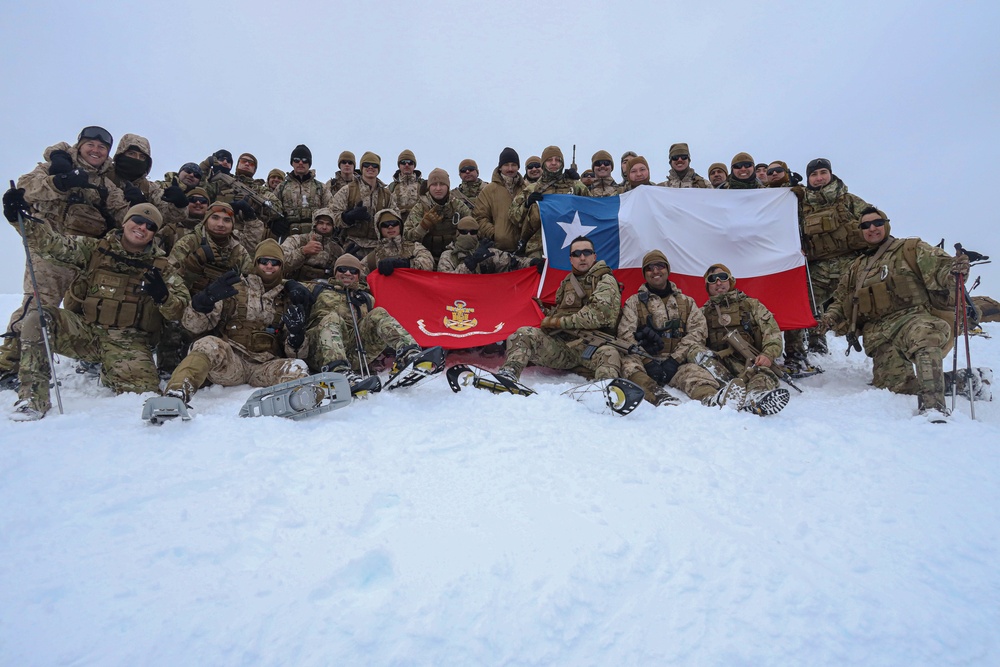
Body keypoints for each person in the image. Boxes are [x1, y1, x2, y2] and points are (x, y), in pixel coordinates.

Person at [3, 198, 189, 420]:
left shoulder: (162, 268)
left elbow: (180, 310)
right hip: (86, 330)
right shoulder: (94, 250)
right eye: (138, 221)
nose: (142, 228)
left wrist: (163, 297)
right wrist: (20, 220)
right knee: (39, 318)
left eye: (150, 226)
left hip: (127, 341)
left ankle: (109, 371)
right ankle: (33, 399)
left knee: (143, 393)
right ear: (126, 222)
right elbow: (53, 245)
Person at [1, 126, 129, 387]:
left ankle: (86, 355)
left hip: (87, 254)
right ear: (79, 145)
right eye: (90, 144)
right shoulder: (54, 166)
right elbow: (26, 188)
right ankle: (10, 363)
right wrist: (59, 183)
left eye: (102, 147)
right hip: (51, 249)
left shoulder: (107, 184)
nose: (96, 151)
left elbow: (124, 215)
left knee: (86, 307)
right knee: (38, 304)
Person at [818, 208, 967, 422]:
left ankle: (933, 408)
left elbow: (942, 271)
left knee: (924, 337)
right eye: (865, 225)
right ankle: (960, 381)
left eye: (877, 223)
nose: (872, 228)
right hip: (878, 335)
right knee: (896, 387)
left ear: (886, 224)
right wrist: (829, 319)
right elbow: (842, 300)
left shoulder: (910, 248)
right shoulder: (856, 268)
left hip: (912, 319)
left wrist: (955, 271)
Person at [160, 239, 312, 405]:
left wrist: (296, 336)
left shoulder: (289, 297)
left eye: (275, 262)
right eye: (264, 261)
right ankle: (175, 394)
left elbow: (296, 354)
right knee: (207, 344)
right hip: (231, 363)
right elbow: (194, 326)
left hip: (265, 367)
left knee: (297, 366)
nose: (269, 266)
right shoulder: (233, 288)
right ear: (255, 262)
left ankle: (301, 400)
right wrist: (202, 304)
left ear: (281, 266)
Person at [495, 236, 622, 385]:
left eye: (587, 253)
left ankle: (607, 392)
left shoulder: (605, 280)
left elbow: (598, 315)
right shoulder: (567, 283)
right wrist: (545, 312)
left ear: (594, 256)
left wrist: (559, 322)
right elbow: (562, 314)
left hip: (593, 347)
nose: (582, 257)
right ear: (571, 259)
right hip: (563, 347)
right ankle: (508, 374)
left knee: (610, 354)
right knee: (523, 333)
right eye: (577, 254)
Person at [616, 250, 725, 406]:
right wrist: (647, 360)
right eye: (649, 268)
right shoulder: (634, 303)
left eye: (660, 266)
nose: (655, 271)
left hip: (678, 364)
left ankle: (710, 399)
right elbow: (625, 334)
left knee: (697, 374)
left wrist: (675, 360)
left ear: (667, 269)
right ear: (645, 273)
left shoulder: (686, 302)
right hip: (645, 363)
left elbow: (698, 332)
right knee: (628, 366)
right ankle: (658, 396)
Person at [301, 253, 424, 392]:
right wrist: (293, 287)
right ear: (335, 272)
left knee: (379, 312)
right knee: (332, 318)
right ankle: (338, 372)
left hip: (354, 352)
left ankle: (410, 353)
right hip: (320, 351)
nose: (347, 273)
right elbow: (277, 280)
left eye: (353, 271)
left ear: (359, 275)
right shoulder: (317, 289)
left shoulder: (366, 298)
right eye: (342, 269)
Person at [160, 201, 253, 376]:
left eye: (226, 220)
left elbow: (250, 280)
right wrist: (191, 267)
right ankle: (168, 366)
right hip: (190, 301)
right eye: (215, 218)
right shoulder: (189, 242)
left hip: (220, 306)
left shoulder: (238, 251)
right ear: (206, 220)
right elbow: (169, 277)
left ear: (232, 225)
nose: (220, 224)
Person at [797, 157, 872, 359]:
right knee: (800, 301)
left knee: (870, 303)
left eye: (823, 173)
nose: (819, 178)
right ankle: (807, 345)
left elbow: (875, 223)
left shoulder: (849, 201)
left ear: (830, 175)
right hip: (818, 268)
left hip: (851, 264)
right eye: (814, 174)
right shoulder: (801, 206)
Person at [700, 262, 790, 415]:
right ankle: (723, 397)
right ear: (707, 286)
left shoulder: (751, 305)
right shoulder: (702, 313)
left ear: (731, 280)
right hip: (719, 367)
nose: (718, 282)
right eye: (712, 279)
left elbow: (772, 333)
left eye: (723, 277)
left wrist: (768, 355)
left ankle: (755, 397)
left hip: (751, 363)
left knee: (762, 374)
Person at [509, 145, 590, 257]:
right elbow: (513, 217)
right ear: (543, 163)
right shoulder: (531, 189)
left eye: (557, 160)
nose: (553, 163)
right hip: (539, 247)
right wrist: (527, 205)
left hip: (570, 245)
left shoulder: (576, 186)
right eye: (549, 160)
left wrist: (577, 180)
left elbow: (592, 208)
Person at [329, 151, 395, 257]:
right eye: (366, 164)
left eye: (374, 165)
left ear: (378, 169)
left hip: (378, 246)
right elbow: (332, 213)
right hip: (352, 244)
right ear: (361, 167)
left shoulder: (387, 195)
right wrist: (347, 217)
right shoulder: (348, 190)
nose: (370, 167)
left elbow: (396, 218)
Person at [402, 168, 471, 262]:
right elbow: (406, 237)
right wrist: (422, 227)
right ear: (429, 187)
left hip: (453, 253)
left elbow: (473, 232)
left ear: (448, 187)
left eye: (442, 184)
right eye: (434, 184)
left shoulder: (458, 206)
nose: (438, 188)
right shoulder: (420, 208)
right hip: (426, 255)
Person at [437, 216, 542, 274]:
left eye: (472, 232)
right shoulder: (448, 256)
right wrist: (470, 263)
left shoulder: (487, 253)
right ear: (457, 233)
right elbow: (447, 281)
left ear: (477, 234)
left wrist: (532, 263)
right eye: (464, 232)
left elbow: (512, 262)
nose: (468, 235)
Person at [271, 144, 330, 240]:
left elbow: (331, 210)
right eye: (297, 160)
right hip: (288, 238)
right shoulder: (282, 187)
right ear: (292, 162)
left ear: (309, 163)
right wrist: (273, 223)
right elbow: (270, 209)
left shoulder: (321, 187)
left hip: (315, 238)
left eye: (305, 160)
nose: (301, 163)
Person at [472, 147, 525, 252]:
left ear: (518, 167)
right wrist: (495, 234)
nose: (510, 169)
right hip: (498, 251)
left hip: (524, 250)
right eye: (506, 165)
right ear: (500, 167)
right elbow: (479, 217)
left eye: (513, 165)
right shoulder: (488, 190)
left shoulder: (526, 189)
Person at [280, 208, 345, 281]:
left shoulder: (337, 250)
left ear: (333, 227)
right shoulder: (296, 240)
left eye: (328, 224)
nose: (324, 227)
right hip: (294, 284)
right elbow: (280, 263)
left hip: (324, 289)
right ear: (314, 224)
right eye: (321, 223)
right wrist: (303, 251)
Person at [364, 209, 434, 275]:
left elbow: (428, 265)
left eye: (394, 223)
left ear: (400, 226)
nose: (390, 227)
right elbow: (358, 278)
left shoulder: (414, 248)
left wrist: (406, 264)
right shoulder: (372, 258)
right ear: (379, 229)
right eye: (385, 224)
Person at [157, 187, 211, 254]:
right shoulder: (169, 229)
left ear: (208, 206)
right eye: (193, 199)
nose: (198, 202)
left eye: (203, 201)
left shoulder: (213, 230)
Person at [388, 149, 424, 220]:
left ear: (414, 165)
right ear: (399, 165)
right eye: (403, 162)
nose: (407, 165)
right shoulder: (391, 187)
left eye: (410, 162)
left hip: (418, 225)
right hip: (397, 226)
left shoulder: (424, 185)